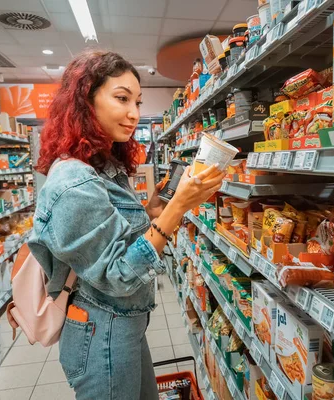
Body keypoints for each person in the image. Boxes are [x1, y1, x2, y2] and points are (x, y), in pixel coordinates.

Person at [29, 50, 224, 399]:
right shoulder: (73, 180)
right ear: (85, 101)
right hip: (100, 330)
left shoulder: (101, 165)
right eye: (121, 99)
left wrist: (152, 211)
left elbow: (116, 237)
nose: (134, 114)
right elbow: (117, 275)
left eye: (137, 101)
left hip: (123, 323)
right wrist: (177, 208)